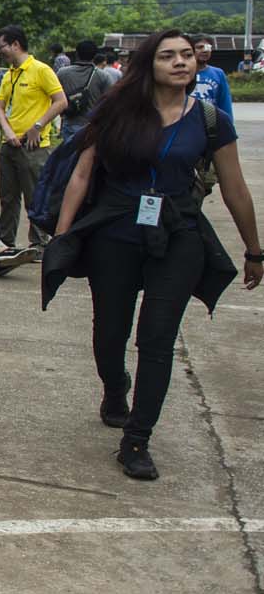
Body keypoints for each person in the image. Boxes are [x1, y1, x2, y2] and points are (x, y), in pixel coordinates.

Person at [46, 30, 260, 480]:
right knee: (109, 334)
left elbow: (236, 187)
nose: (181, 62)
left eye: (187, 55)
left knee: (157, 339)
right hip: (116, 233)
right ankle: (115, 387)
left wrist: (255, 250)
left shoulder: (210, 119)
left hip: (179, 234)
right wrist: (62, 237)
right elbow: (83, 174)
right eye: (168, 56)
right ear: (150, 64)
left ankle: (137, 440)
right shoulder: (118, 111)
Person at [0, 25, 68, 260]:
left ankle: (39, 244)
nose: (0, 52)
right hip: (9, 144)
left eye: (2, 47)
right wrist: (7, 131)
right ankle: (7, 243)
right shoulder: (9, 74)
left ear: (16, 44)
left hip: (34, 146)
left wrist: (38, 126)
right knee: (8, 196)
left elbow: (61, 101)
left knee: (35, 195)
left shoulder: (41, 70)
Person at [57, 40, 117, 143]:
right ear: (95, 56)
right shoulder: (103, 76)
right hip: (92, 126)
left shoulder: (62, 73)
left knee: (69, 156)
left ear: (77, 53)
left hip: (70, 124)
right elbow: (111, 101)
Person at [189, 37, 234, 118]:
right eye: (200, 47)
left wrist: (228, 127)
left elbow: (225, 104)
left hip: (211, 123)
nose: (205, 50)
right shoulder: (183, 72)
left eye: (208, 47)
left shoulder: (218, 73)